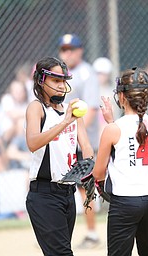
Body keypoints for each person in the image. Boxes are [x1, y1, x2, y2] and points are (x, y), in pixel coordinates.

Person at [25, 56, 94, 255]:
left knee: (60, 251)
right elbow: (33, 143)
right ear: (41, 81)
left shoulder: (71, 112)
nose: (62, 86)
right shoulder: (37, 108)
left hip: (68, 193)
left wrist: (88, 170)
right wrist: (65, 122)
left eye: (64, 80)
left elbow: (86, 146)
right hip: (44, 195)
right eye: (56, 80)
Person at [92, 67, 148, 255]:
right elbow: (133, 134)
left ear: (122, 97)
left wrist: (111, 124)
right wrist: (112, 123)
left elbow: (98, 173)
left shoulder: (114, 129)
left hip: (125, 202)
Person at [58, 33, 101, 248]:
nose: (67, 53)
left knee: (85, 187)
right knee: (58, 185)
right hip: (63, 140)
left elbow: (91, 111)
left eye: (70, 49)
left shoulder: (86, 73)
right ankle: (57, 234)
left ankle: (92, 234)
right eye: (63, 49)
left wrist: (76, 137)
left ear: (80, 51)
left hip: (82, 141)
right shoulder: (60, 75)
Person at [92, 57, 121, 139]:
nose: (101, 77)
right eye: (98, 73)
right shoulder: (91, 90)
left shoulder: (112, 91)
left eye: (104, 74)